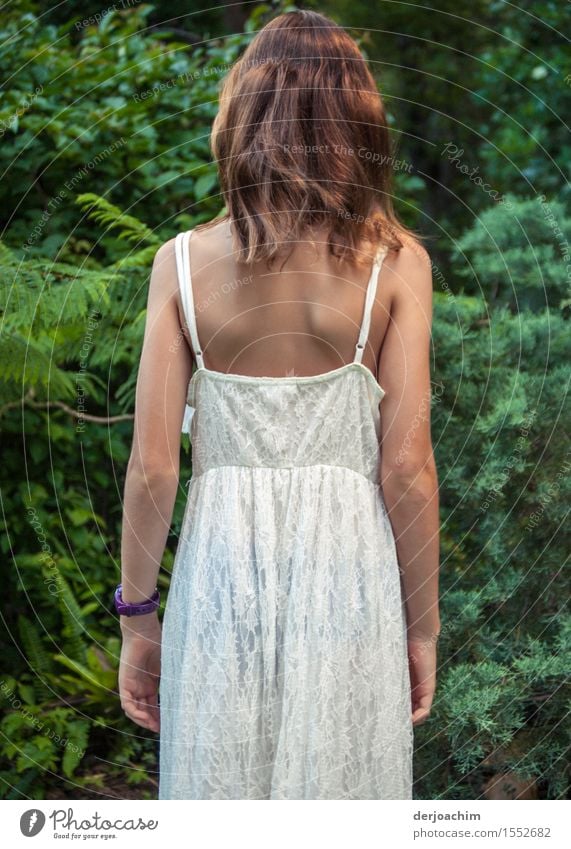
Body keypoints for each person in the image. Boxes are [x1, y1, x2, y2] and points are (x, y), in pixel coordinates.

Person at [117, 9, 440, 800]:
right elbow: (406, 468)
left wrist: (137, 618)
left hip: (220, 570)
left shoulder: (181, 266)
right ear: (354, 121)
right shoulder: (395, 264)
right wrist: (422, 626)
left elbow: (155, 468)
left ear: (242, 117)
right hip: (351, 578)